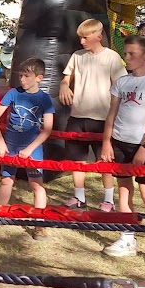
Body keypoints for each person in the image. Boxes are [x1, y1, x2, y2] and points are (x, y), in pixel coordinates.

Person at [100, 35, 145, 266]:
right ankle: (127, 237)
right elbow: (111, 115)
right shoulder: (121, 82)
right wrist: (107, 142)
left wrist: (144, 147)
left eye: (132, 54)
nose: (127, 58)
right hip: (119, 143)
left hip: (141, 145)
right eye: (126, 53)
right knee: (124, 191)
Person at [58, 18, 125, 211]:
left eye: (85, 38)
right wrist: (64, 86)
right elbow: (66, 77)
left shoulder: (112, 57)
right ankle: (79, 197)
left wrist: (115, 114)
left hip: (103, 118)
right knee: (77, 159)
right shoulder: (77, 56)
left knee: (104, 160)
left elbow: (120, 86)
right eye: (80, 38)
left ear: (99, 36)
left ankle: (109, 200)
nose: (82, 42)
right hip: (77, 116)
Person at [0, 57, 55, 237]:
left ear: (39, 78)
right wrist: (0, 140)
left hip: (32, 148)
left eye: (27, 76)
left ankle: (40, 224)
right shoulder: (13, 93)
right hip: (10, 146)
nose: (22, 80)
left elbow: (47, 130)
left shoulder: (45, 99)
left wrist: (30, 149)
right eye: (20, 76)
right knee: (6, 180)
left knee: (36, 185)